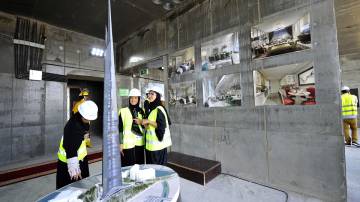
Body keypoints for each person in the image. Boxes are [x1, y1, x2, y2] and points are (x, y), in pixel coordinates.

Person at [56, 100, 98, 189]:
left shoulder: (81, 120)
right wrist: (73, 165)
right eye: (88, 118)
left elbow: (80, 137)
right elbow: (70, 147)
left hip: (81, 159)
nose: (89, 120)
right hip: (68, 161)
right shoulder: (73, 126)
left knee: (82, 186)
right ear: (82, 115)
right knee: (70, 190)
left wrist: (84, 137)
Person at [141, 86, 172, 165]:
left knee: (158, 170)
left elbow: (162, 126)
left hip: (158, 147)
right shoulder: (151, 109)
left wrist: (148, 121)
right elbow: (148, 127)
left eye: (152, 94)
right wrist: (143, 122)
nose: (149, 96)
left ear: (157, 95)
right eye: (148, 94)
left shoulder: (159, 109)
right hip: (150, 147)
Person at [118, 88, 145, 166]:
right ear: (129, 99)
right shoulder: (123, 111)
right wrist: (121, 143)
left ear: (139, 99)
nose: (133, 99)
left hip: (139, 143)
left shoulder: (142, 111)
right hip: (127, 144)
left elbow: (144, 127)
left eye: (136, 97)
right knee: (128, 166)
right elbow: (120, 129)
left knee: (139, 166)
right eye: (131, 97)